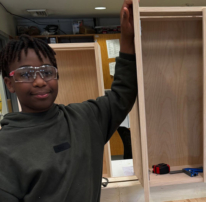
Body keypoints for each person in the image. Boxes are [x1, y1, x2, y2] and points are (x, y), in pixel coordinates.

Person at [0, 0, 137, 201]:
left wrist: (127, 38)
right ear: (10, 83)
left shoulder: (85, 119)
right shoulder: (5, 147)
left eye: (47, 72)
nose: (39, 81)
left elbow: (122, 95)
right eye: (26, 74)